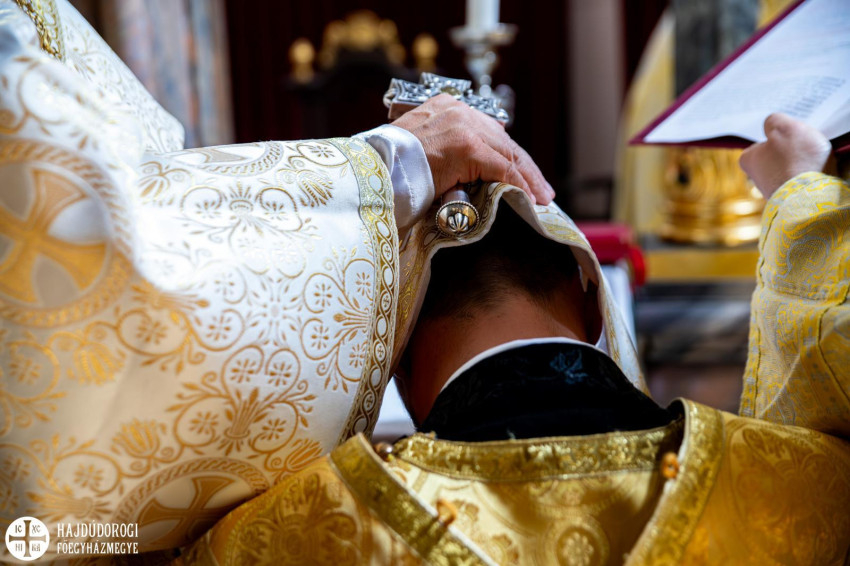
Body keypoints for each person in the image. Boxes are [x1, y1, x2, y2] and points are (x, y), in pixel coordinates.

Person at [182, 113, 850, 564]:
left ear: (391, 352)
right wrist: (804, 202)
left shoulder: (299, 532)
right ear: (592, 298)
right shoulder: (803, 484)